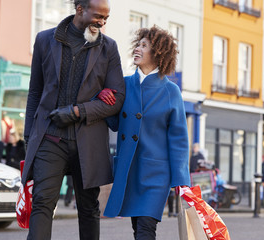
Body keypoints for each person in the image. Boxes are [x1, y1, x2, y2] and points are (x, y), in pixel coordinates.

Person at [21, 0, 125, 239]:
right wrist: (30, 137)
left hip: (89, 141)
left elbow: (117, 98)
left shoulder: (109, 48)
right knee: (42, 204)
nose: (102, 22)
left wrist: (77, 111)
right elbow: (35, 92)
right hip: (49, 138)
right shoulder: (45, 40)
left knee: (89, 209)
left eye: (106, 18)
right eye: (98, 16)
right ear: (80, 9)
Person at [102, 26, 190, 239]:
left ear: (158, 53)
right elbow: (115, 124)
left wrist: (182, 181)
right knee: (137, 229)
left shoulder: (171, 91)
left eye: (144, 45)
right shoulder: (124, 84)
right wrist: (105, 102)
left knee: (145, 229)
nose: (138, 49)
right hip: (129, 170)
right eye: (138, 44)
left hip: (156, 175)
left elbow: (178, 139)